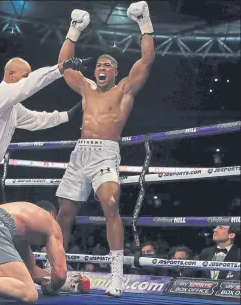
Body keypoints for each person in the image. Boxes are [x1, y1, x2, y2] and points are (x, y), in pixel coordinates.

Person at [55, 1, 156, 297]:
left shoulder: (124, 90)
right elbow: (64, 67)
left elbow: (147, 60)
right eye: (98, 65)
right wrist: (74, 31)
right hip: (80, 152)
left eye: (107, 65)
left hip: (106, 153)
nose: (101, 68)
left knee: (111, 203)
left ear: (115, 72)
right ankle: (57, 271)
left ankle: (117, 277)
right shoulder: (86, 88)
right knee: (64, 213)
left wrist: (144, 23)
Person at [0, 57, 90, 221]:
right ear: (10, 74)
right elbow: (29, 85)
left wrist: (69, 115)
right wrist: (61, 68)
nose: (28, 80)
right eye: (25, 76)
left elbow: (37, 120)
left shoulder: (13, 107)